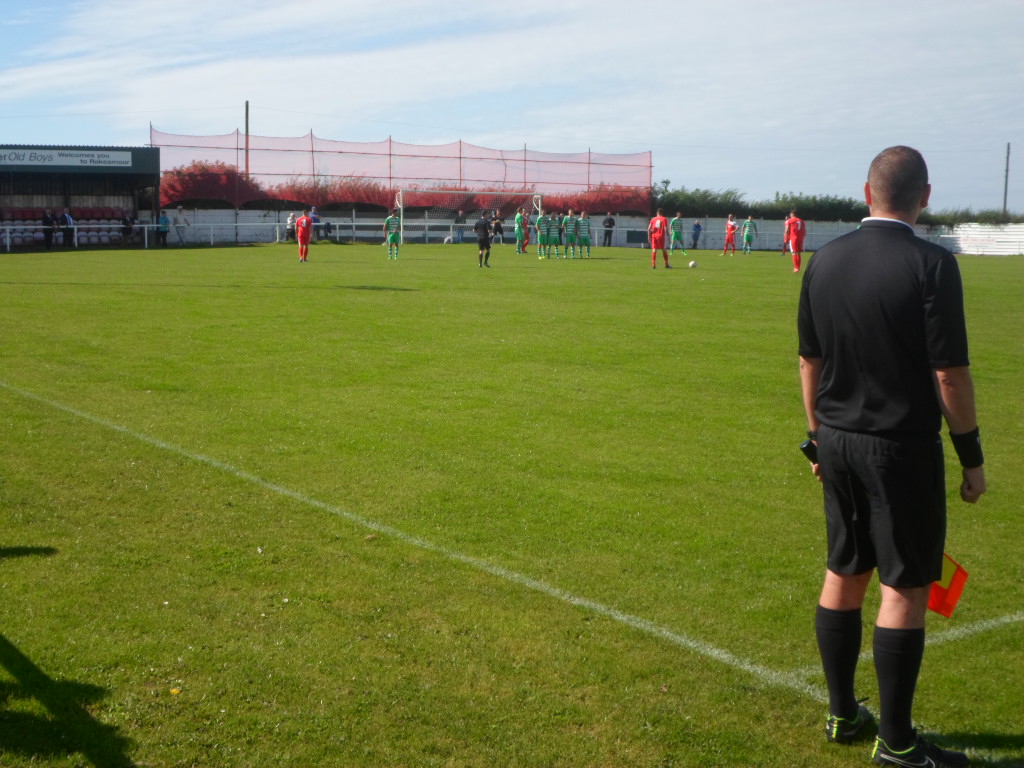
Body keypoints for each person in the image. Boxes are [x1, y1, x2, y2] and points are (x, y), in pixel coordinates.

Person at [798, 146, 984, 768]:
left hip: (837, 440)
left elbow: (809, 361)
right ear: (925, 196)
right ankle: (898, 744)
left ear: (866, 191)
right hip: (900, 447)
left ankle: (842, 714)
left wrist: (817, 438)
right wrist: (971, 456)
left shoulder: (825, 259)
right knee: (903, 587)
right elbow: (949, 375)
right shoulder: (932, 264)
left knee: (844, 571)